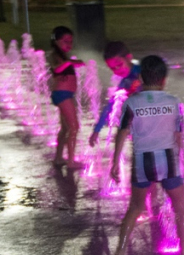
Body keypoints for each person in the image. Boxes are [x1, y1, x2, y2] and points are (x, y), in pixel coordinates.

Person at [108, 55, 184, 255]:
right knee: (180, 208)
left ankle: (120, 253)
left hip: (142, 161)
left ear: (141, 78)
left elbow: (122, 132)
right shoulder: (174, 102)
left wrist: (115, 162)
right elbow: (178, 136)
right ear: (164, 79)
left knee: (135, 208)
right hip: (168, 161)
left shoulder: (132, 102)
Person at [89, 41, 143, 148]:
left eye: (119, 65)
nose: (117, 70)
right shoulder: (125, 83)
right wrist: (96, 130)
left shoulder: (143, 72)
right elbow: (111, 106)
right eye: (112, 68)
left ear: (129, 58)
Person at [48, 26, 85, 167]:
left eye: (71, 41)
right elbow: (57, 68)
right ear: (56, 41)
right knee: (74, 126)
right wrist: (70, 62)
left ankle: (58, 158)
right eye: (65, 41)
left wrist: (73, 63)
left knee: (65, 129)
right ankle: (71, 161)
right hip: (62, 95)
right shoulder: (53, 55)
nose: (69, 44)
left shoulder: (63, 56)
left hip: (65, 94)